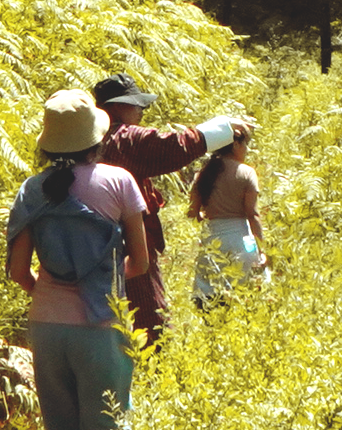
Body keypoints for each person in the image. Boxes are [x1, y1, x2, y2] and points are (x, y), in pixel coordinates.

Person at [5, 88, 149, 430]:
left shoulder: (31, 190)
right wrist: (98, 286)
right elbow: (138, 263)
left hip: (47, 326)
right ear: (96, 140)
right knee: (108, 429)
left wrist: (50, 293)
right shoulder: (119, 182)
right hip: (102, 323)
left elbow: (19, 272)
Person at [86, 75, 250, 337]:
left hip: (85, 242)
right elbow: (171, 148)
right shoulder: (124, 138)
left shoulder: (84, 141)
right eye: (135, 105)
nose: (141, 110)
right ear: (115, 107)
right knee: (151, 321)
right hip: (130, 241)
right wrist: (222, 129)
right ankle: (153, 370)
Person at [189, 127, 271, 306]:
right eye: (245, 145)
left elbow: (193, 212)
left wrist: (208, 213)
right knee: (252, 289)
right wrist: (262, 251)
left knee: (209, 295)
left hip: (212, 239)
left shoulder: (204, 174)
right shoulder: (246, 172)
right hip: (243, 239)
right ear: (236, 145)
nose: (246, 150)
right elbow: (252, 214)